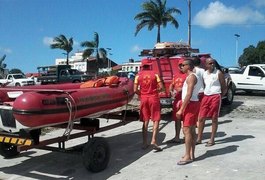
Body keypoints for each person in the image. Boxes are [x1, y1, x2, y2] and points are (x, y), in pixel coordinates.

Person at [134, 59, 164, 152]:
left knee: (145, 120)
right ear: (150, 65)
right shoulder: (155, 74)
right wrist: (155, 91)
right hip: (154, 98)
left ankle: (144, 143)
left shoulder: (138, 75)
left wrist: (142, 93)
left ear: (142, 66)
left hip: (144, 98)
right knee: (156, 119)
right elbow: (162, 88)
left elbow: (135, 90)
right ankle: (154, 140)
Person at [196, 58, 227, 147]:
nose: (212, 65)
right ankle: (199, 138)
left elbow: (224, 87)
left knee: (214, 118)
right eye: (210, 63)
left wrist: (219, 97)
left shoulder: (218, 73)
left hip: (215, 96)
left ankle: (212, 139)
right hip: (206, 96)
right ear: (206, 65)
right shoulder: (204, 74)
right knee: (201, 118)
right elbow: (205, 85)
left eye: (213, 63)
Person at [176, 59, 201, 165]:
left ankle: (188, 155)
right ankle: (191, 153)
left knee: (187, 130)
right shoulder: (193, 76)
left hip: (190, 104)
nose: (181, 67)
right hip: (193, 103)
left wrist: (181, 109)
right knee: (191, 130)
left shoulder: (191, 77)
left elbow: (189, 94)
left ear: (188, 66)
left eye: (183, 65)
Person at [166, 59, 187, 144]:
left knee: (185, 119)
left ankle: (186, 136)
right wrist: (171, 90)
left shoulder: (188, 75)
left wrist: (181, 90)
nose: (181, 67)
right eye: (180, 65)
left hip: (184, 100)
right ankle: (177, 137)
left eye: (183, 65)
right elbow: (172, 84)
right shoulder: (175, 75)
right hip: (176, 100)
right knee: (177, 119)